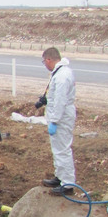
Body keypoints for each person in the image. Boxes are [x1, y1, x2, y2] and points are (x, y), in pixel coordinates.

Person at [40, 47, 76, 195]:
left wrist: (54, 121)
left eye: (44, 62)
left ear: (49, 59)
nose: (45, 65)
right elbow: (53, 97)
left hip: (61, 117)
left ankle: (67, 184)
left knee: (62, 150)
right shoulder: (60, 73)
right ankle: (60, 177)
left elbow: (60, 101)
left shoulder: (62, 76)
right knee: (58, 150)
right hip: (59, 115)